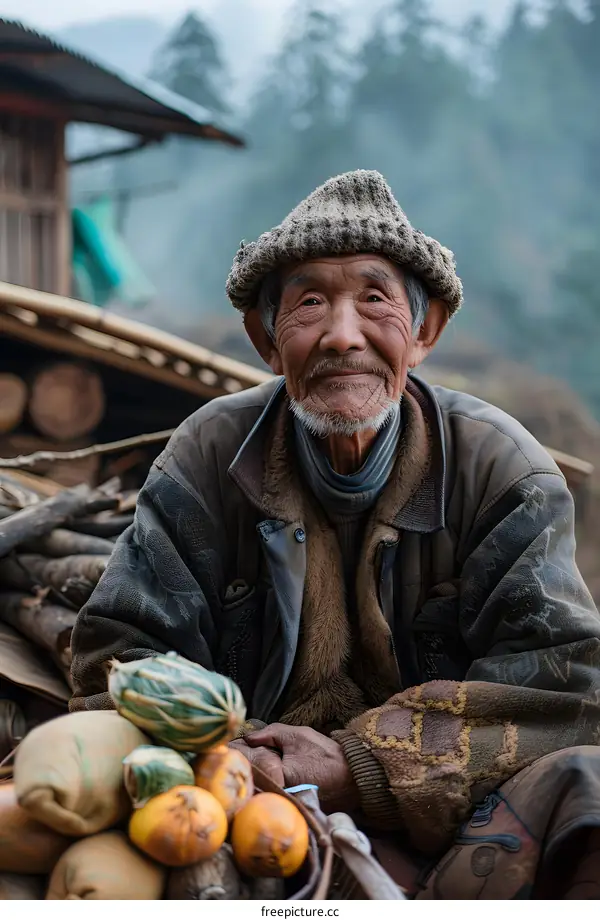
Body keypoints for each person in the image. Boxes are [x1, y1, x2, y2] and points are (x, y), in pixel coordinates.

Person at [70, 170, 600, 898]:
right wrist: (233, 752)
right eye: (309, 303)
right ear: (266, 339)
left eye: (375, 299)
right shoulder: (206, 456)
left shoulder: (501, 470)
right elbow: (118, 655)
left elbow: (569, 688)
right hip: (250, 809)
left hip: (455, 818)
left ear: (424, 332)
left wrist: (362, 766)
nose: (342, 336)